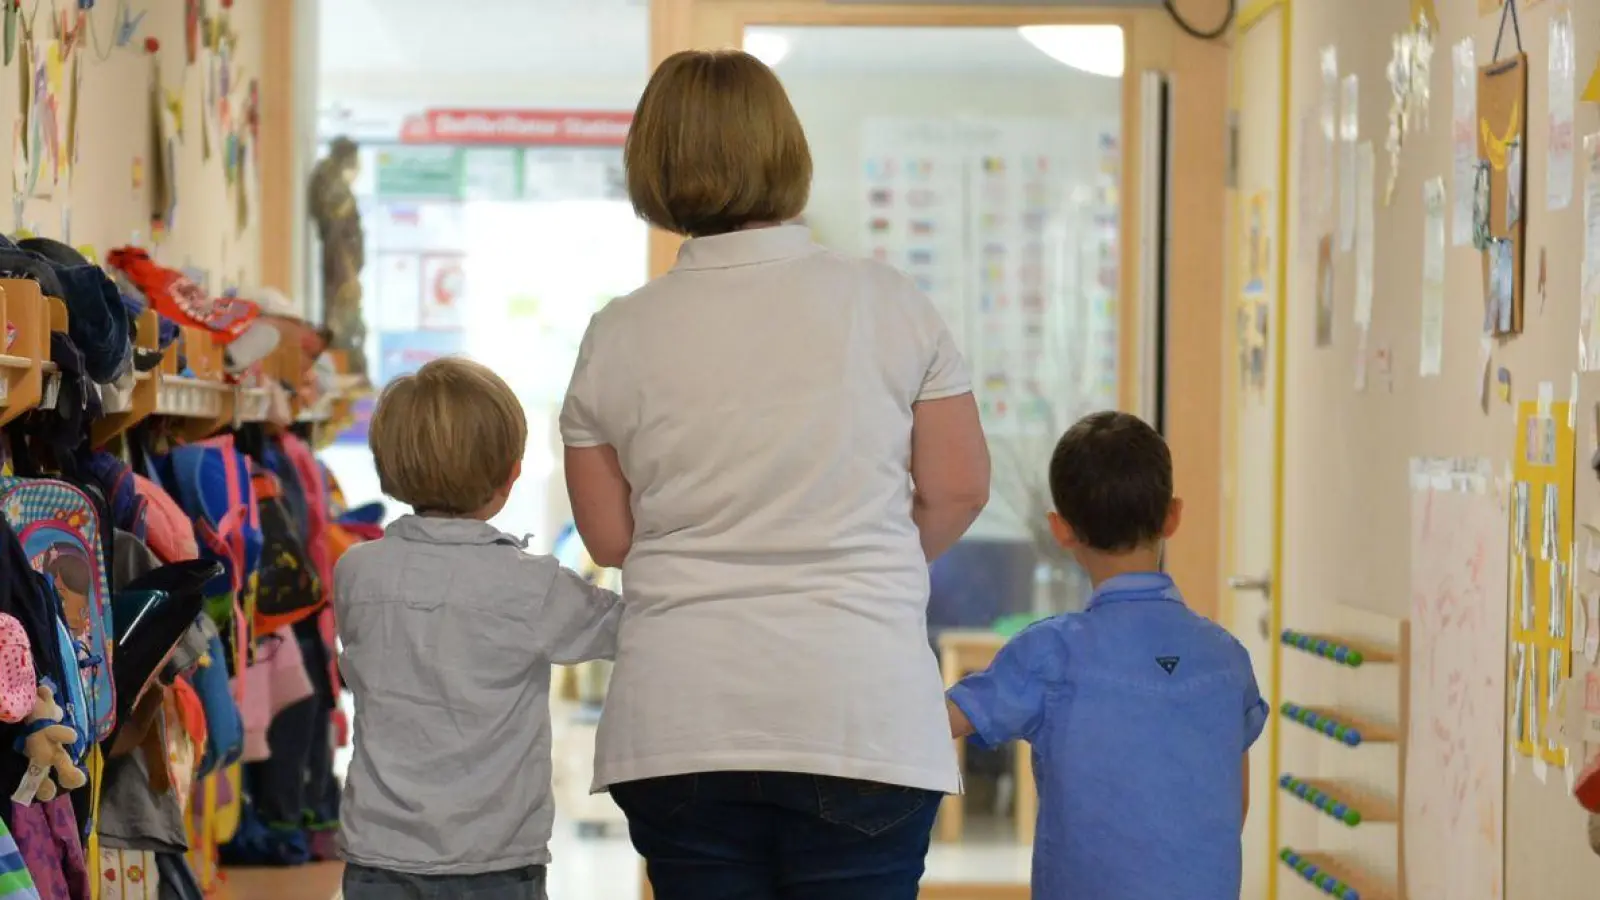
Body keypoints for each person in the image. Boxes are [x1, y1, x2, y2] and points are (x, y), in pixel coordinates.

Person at [560, 49, 991, 900]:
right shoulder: (890, 302)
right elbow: (958, 488)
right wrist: (864, 552)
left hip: (684, 719)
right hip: (859, 710)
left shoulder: (618, 333)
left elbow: (610, 539)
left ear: (654, 162)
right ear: (785, 148)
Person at [947, 411, 1267, 900]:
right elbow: (1235, 803)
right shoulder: (1227, 659)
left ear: (1061, 530)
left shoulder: (1050, 653)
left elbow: (941, 722)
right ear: (1172, 516)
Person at [337, 358, 622, 900]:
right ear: (511, 474)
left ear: (388, 464)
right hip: (495, 856)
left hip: (379, 851)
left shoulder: (356, 571)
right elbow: (630, 631)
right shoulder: (530, 585)